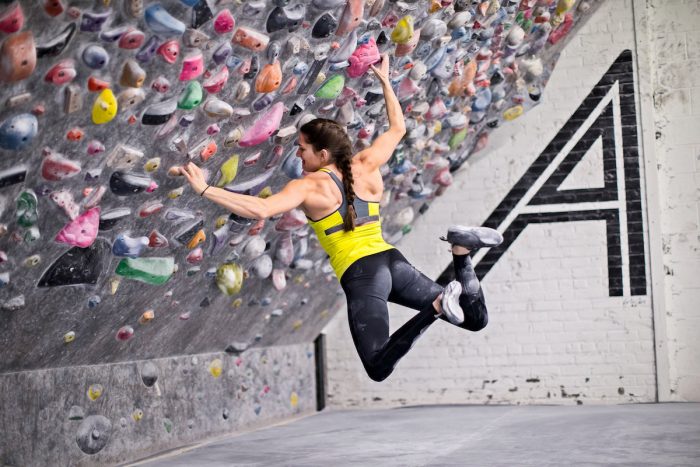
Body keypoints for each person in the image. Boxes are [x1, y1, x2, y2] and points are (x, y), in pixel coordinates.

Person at [179, 53, 503, 382]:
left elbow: (260, 209)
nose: (298, 153)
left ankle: (436, 308)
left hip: (363, 273)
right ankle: (461, 252)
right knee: (475, 319)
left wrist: (206, 189)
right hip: (392, 262)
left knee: (377, 365)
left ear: (322, 154)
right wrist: (386, 83)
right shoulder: (366, 164)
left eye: (303, 148)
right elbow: (397, 128)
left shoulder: (308, 186)